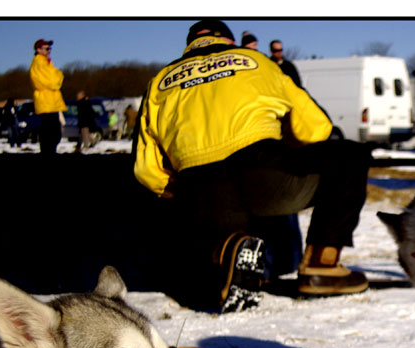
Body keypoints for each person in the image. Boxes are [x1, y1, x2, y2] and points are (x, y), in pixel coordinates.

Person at [134, 19, 372, 313]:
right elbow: (316, 128)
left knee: (219, 218)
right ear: (229, 41)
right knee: (351, 157)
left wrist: (182, 193)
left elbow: (146, 170)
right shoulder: (256, 61)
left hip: (198, 189)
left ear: (190, 43)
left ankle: (228, 248)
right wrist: (288, 146)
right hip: (262, 172)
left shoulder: (159, 80)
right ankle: (321, 266)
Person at [29, 39, 67, 154]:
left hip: (51, 103)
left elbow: (56, 79)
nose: (49, 50)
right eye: (46, 48)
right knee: (50, 134)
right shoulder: (39, 63)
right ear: (38, 50)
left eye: (49, 48)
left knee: (54, 134)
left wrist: (57, 76)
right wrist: (58, 75)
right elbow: (53, 81)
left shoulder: (47, 63)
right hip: (46, 103)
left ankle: (49, 152)